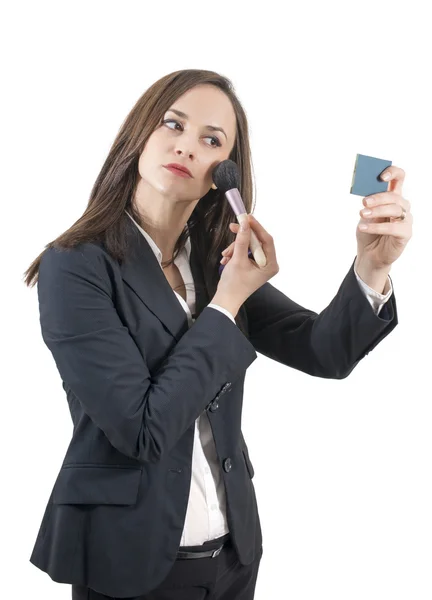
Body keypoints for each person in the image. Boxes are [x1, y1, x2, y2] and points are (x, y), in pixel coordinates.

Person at [23, 69, 412, 600]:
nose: (186, 146)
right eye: (172, 124)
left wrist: (372, 268)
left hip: (232, 557)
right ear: (139, 134)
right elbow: (142, 428)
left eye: (211, 140)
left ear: (223, 174)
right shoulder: (74, 267)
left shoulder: (211, 263)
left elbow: (326, 350)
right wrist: (227, 302)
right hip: (131, 561)